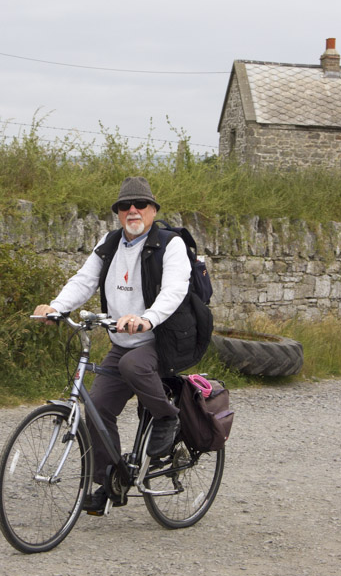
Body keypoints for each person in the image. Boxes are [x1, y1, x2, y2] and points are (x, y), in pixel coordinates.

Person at [33, 176, 212, 514]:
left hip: (164, 337)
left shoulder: (170, 244)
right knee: (97, 406)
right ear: (117, 213)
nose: (132, 210)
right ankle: (109, 481)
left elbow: (174, 290)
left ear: (153, 210)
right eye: (124, 206)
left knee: (134, 366)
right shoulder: (111, 243)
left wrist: (148, 318)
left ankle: (166, 417)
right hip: (123, 338)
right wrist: (57, 307)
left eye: (140, 205)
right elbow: (84, 280)